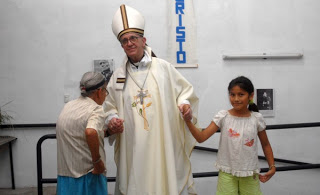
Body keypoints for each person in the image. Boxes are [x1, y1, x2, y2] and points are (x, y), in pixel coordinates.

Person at [104, 4, 199, 195]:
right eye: (124, 40)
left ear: (143, 40)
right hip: (133, 146)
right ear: (121, 45)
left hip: (161, 143)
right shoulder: (117, 77)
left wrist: (185, 106)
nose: (129, 43)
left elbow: (184, 92)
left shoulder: (163, 67)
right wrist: (112, 120)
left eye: (133, 38)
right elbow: (109, 106)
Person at [182, 76, 276, 195]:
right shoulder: (223, 116)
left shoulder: (257, 119)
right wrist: (188, 121)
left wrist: (272, 166)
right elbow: (201, 137)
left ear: (251, 96)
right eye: (232, 95)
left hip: (250, 173)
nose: (236, 99)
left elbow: (266, 144)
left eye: (241, 94)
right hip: (227, 173)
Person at [56, 72, 114, 195]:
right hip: (89, 177)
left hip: (66, 177)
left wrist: (108, 132)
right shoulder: (96, 109)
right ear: (99, 92)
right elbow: (90, 132)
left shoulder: (69, 106)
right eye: (105, 92)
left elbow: (80, 133)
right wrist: (97, 162)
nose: (105, 96)